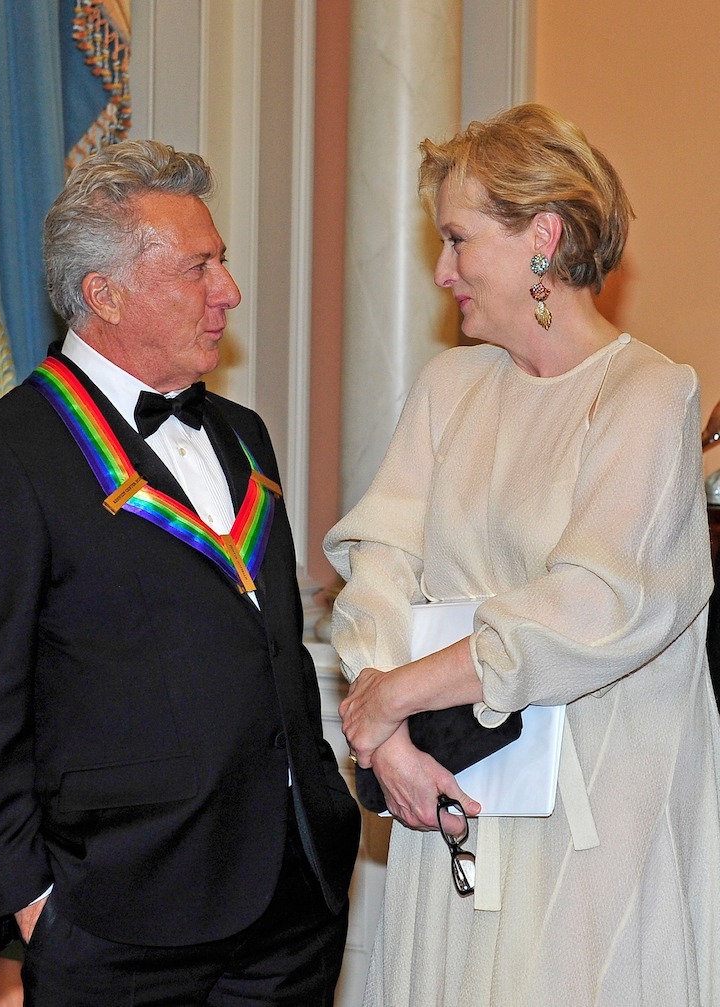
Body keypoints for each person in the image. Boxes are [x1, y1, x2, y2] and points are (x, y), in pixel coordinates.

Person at [0, 138, 360, 1007]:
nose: (227, 291)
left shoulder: (243, 432)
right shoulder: (4, 456)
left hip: (289, 901)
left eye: (223, 262)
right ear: (104, 294)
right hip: (117, 918)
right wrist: (32, 906)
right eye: (198, 268)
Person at [323, 104, 720, 1006]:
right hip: (453, 794)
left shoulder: (648, 395)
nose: (442, 270)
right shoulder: (448, 386)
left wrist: (398, 693)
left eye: (460, 240)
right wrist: (385, 737)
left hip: (597, 825)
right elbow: (380, 563)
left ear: (543, 237)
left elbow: (593, 605)